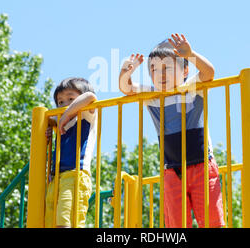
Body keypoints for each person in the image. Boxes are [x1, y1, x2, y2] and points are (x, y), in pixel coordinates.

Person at [119, 34, 225, 228]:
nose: (160, 74)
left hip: (201, 165)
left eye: (166, 67)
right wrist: (126, 71)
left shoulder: (191, 88)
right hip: (172, 171)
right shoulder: (152, 96)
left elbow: (209, 72)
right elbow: (126, 88)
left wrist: (191, 54)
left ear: (185, 70)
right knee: (176, 225)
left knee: (212, 222)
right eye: (154, 69)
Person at [44, 77, 97, 228]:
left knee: (66, 219)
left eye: (71, 99)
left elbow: (90, 97)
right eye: (60, 102)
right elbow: (47, 118)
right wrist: (47, 130)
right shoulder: (60, 122)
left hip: (75, 175)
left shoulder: (86, 113)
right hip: (56, 179)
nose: (65, 105)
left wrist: (67, 114)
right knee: (49, 221)